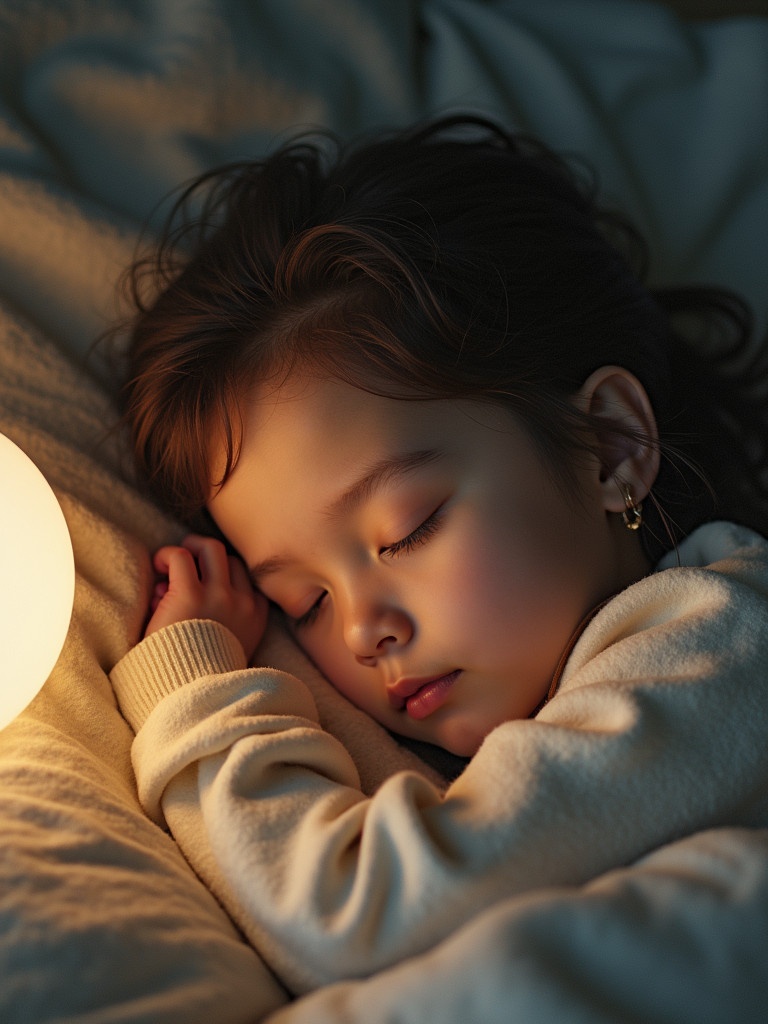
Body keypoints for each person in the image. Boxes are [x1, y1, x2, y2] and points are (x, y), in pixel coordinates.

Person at [110, 115, 768, 994]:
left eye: (407, 529)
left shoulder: (725, 644)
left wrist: (199, 702)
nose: (360, 630)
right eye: (302, 603)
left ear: (610, 445)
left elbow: (358, 914)